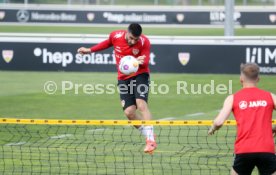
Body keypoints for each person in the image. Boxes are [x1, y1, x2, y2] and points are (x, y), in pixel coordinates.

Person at [77, 23, 157, 154]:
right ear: (127, 32)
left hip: (140, 74)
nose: (133, 41)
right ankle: (149, 135)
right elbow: (106, 43)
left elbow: (146, 61)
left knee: (141, 104)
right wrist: (89, 50)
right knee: (129, 113)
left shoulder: (144, 42)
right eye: (131, 38)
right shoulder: (115, 35)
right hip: (123, 78)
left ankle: (150, 141)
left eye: (135, 39)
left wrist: (141, 61)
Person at [208, 63, 276, 175]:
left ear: (241, 79)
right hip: (267, 150)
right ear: (258, 79)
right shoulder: (270, 96)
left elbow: (219, 122)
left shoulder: (233, 98)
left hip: (244, 150)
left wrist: (213, 129)